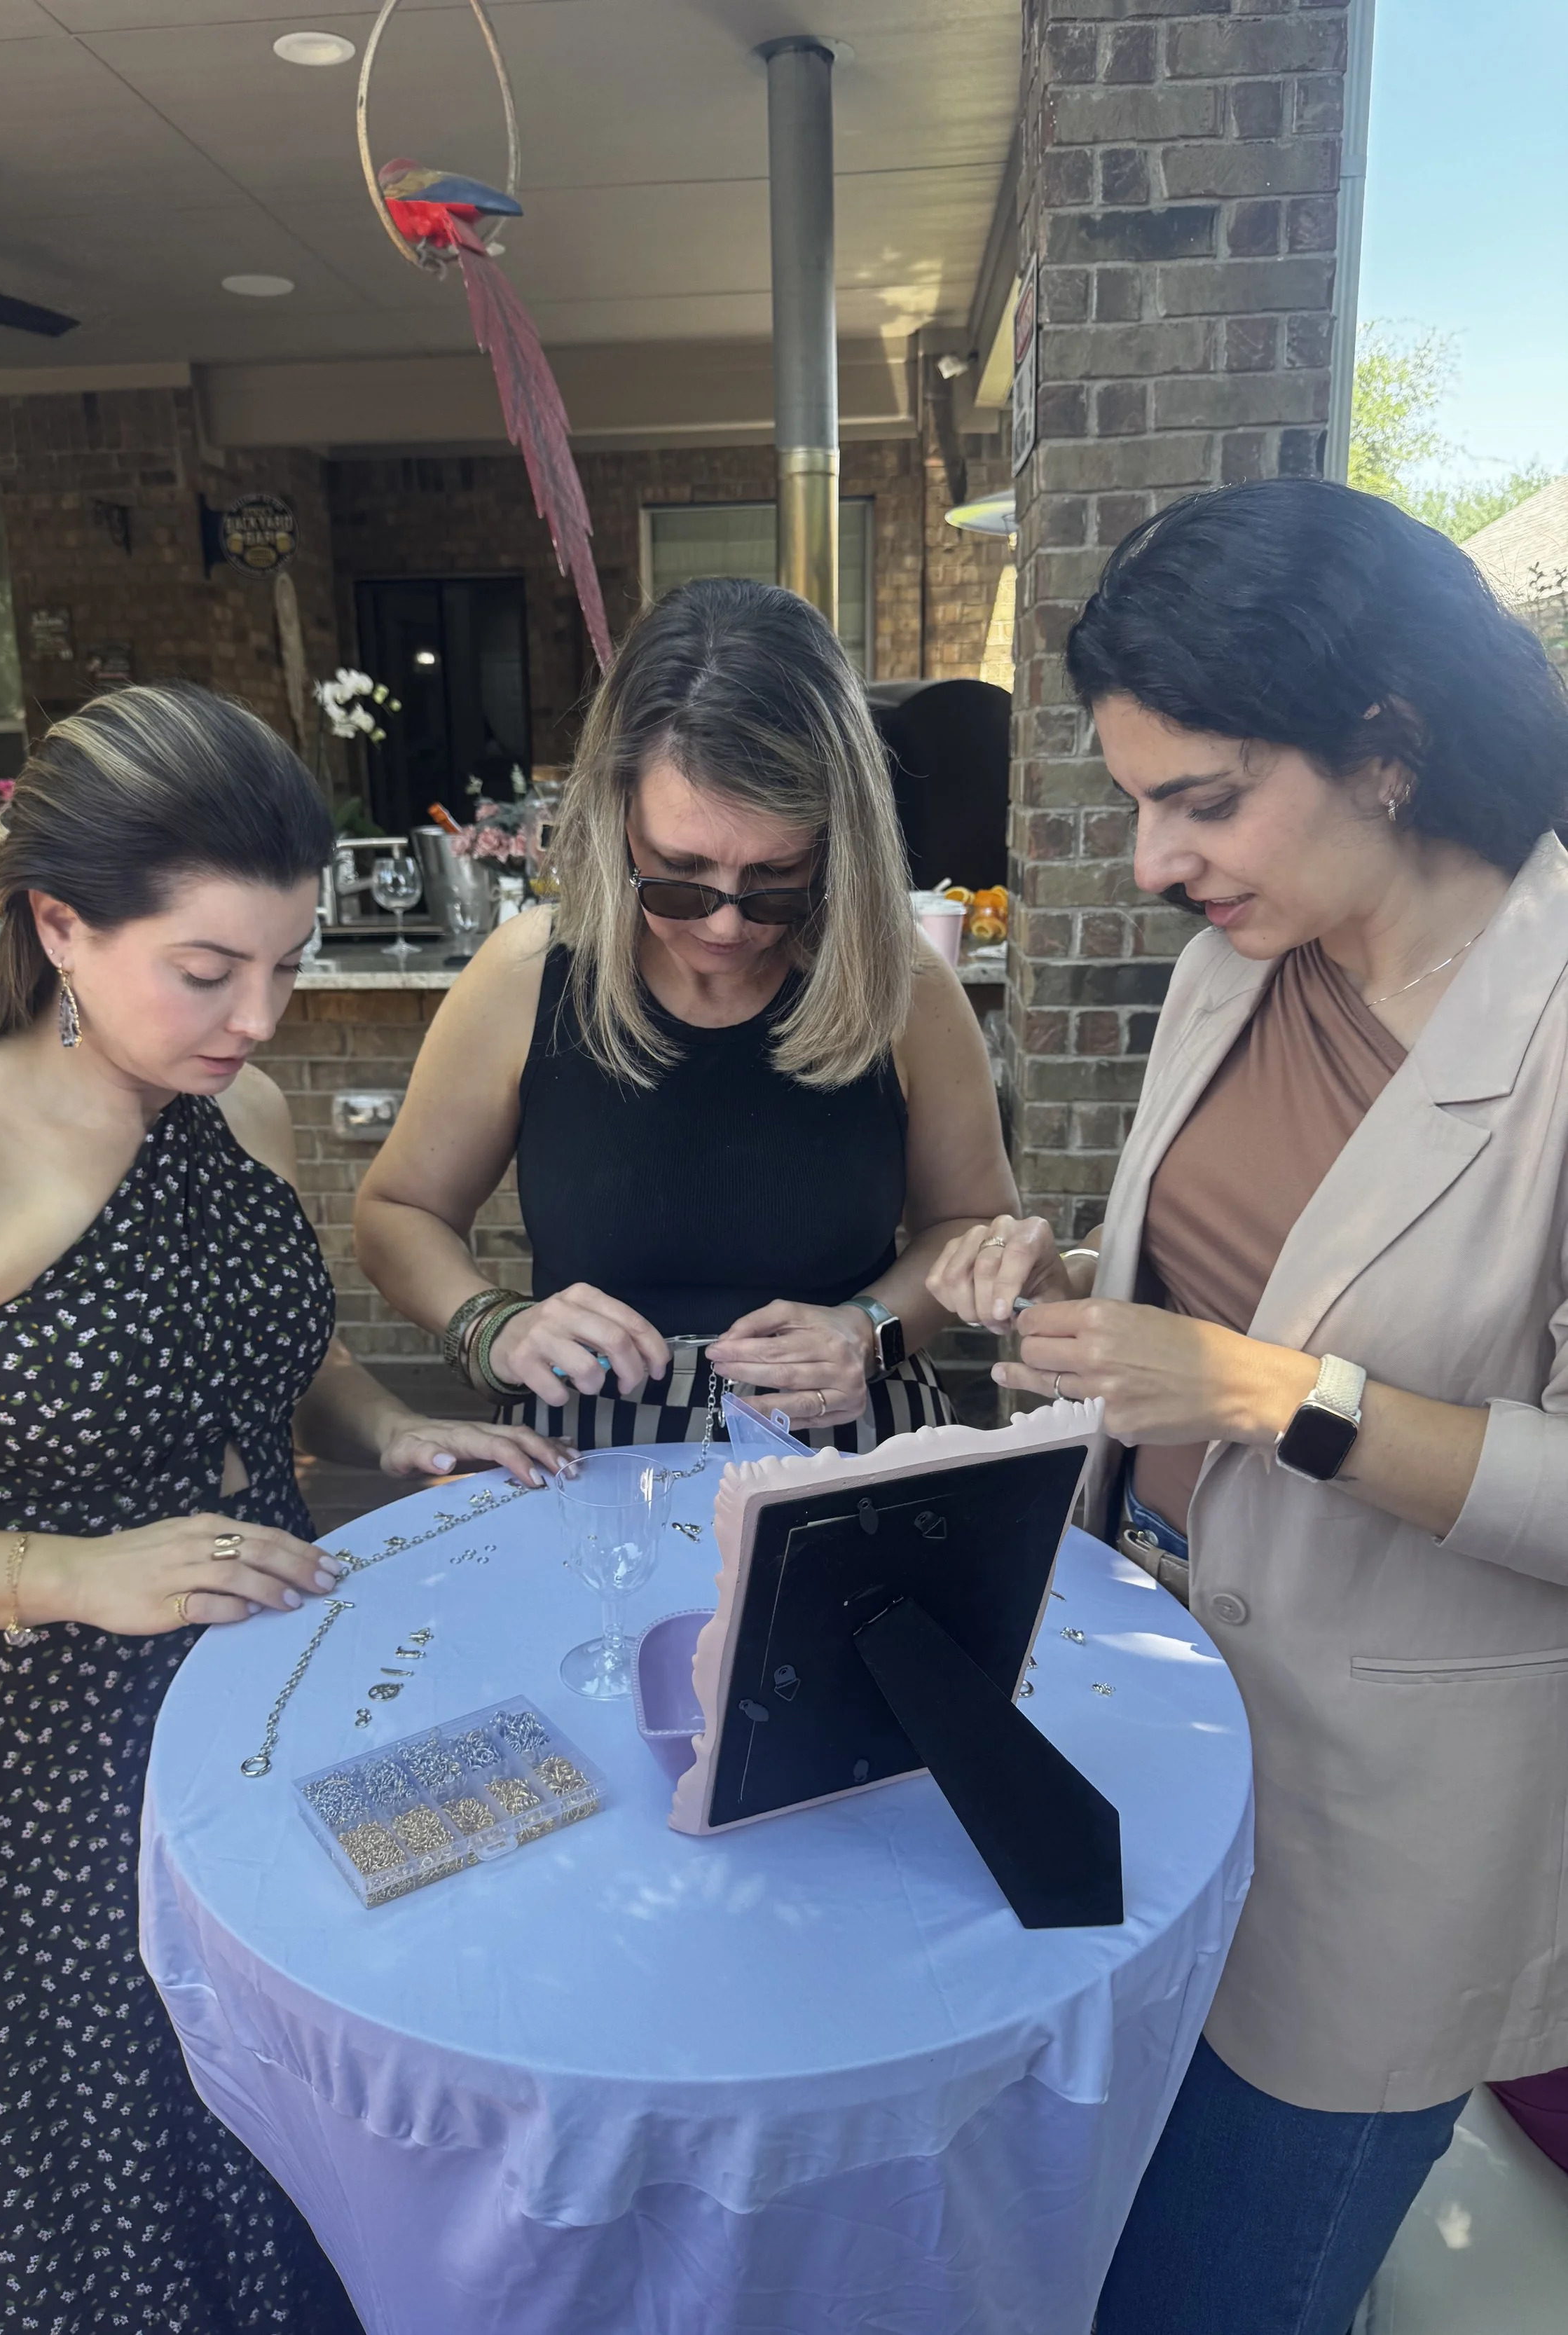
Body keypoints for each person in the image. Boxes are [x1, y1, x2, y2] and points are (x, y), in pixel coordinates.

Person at [0, 684, 561, 2334]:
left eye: (287, 965)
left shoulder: (238, 1112)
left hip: (272, 1714)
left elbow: (252, 1358)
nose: (261, 1015)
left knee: (288, 2166)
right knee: (112, 2214)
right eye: (210, 971)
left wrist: (389, 1423)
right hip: (39, 1793)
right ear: (60, 924)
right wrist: (68, 1573)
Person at [928, 477, 1568, 2335]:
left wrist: (1266, 1389)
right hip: (1142, 1739)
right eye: (1137, 800)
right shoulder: (1230, 976)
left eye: (1198, 800)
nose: (1149, 860)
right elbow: (1188, 1329)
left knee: (1225, 2289)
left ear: (1385, 747)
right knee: (1089, 2252)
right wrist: (1058, 1318)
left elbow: (1265, 1372)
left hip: (1382, 1828)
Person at [353, 575, 1018, 1451]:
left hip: (841, 1439)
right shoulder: (524, 976)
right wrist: (489, 1324)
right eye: (680, 870)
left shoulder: (906, 988)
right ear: (613, 813)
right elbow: (399, 1210)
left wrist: (868, 1330)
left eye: (777, 876)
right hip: (585, 1455)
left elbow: (970, 1225)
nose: (728, 922)